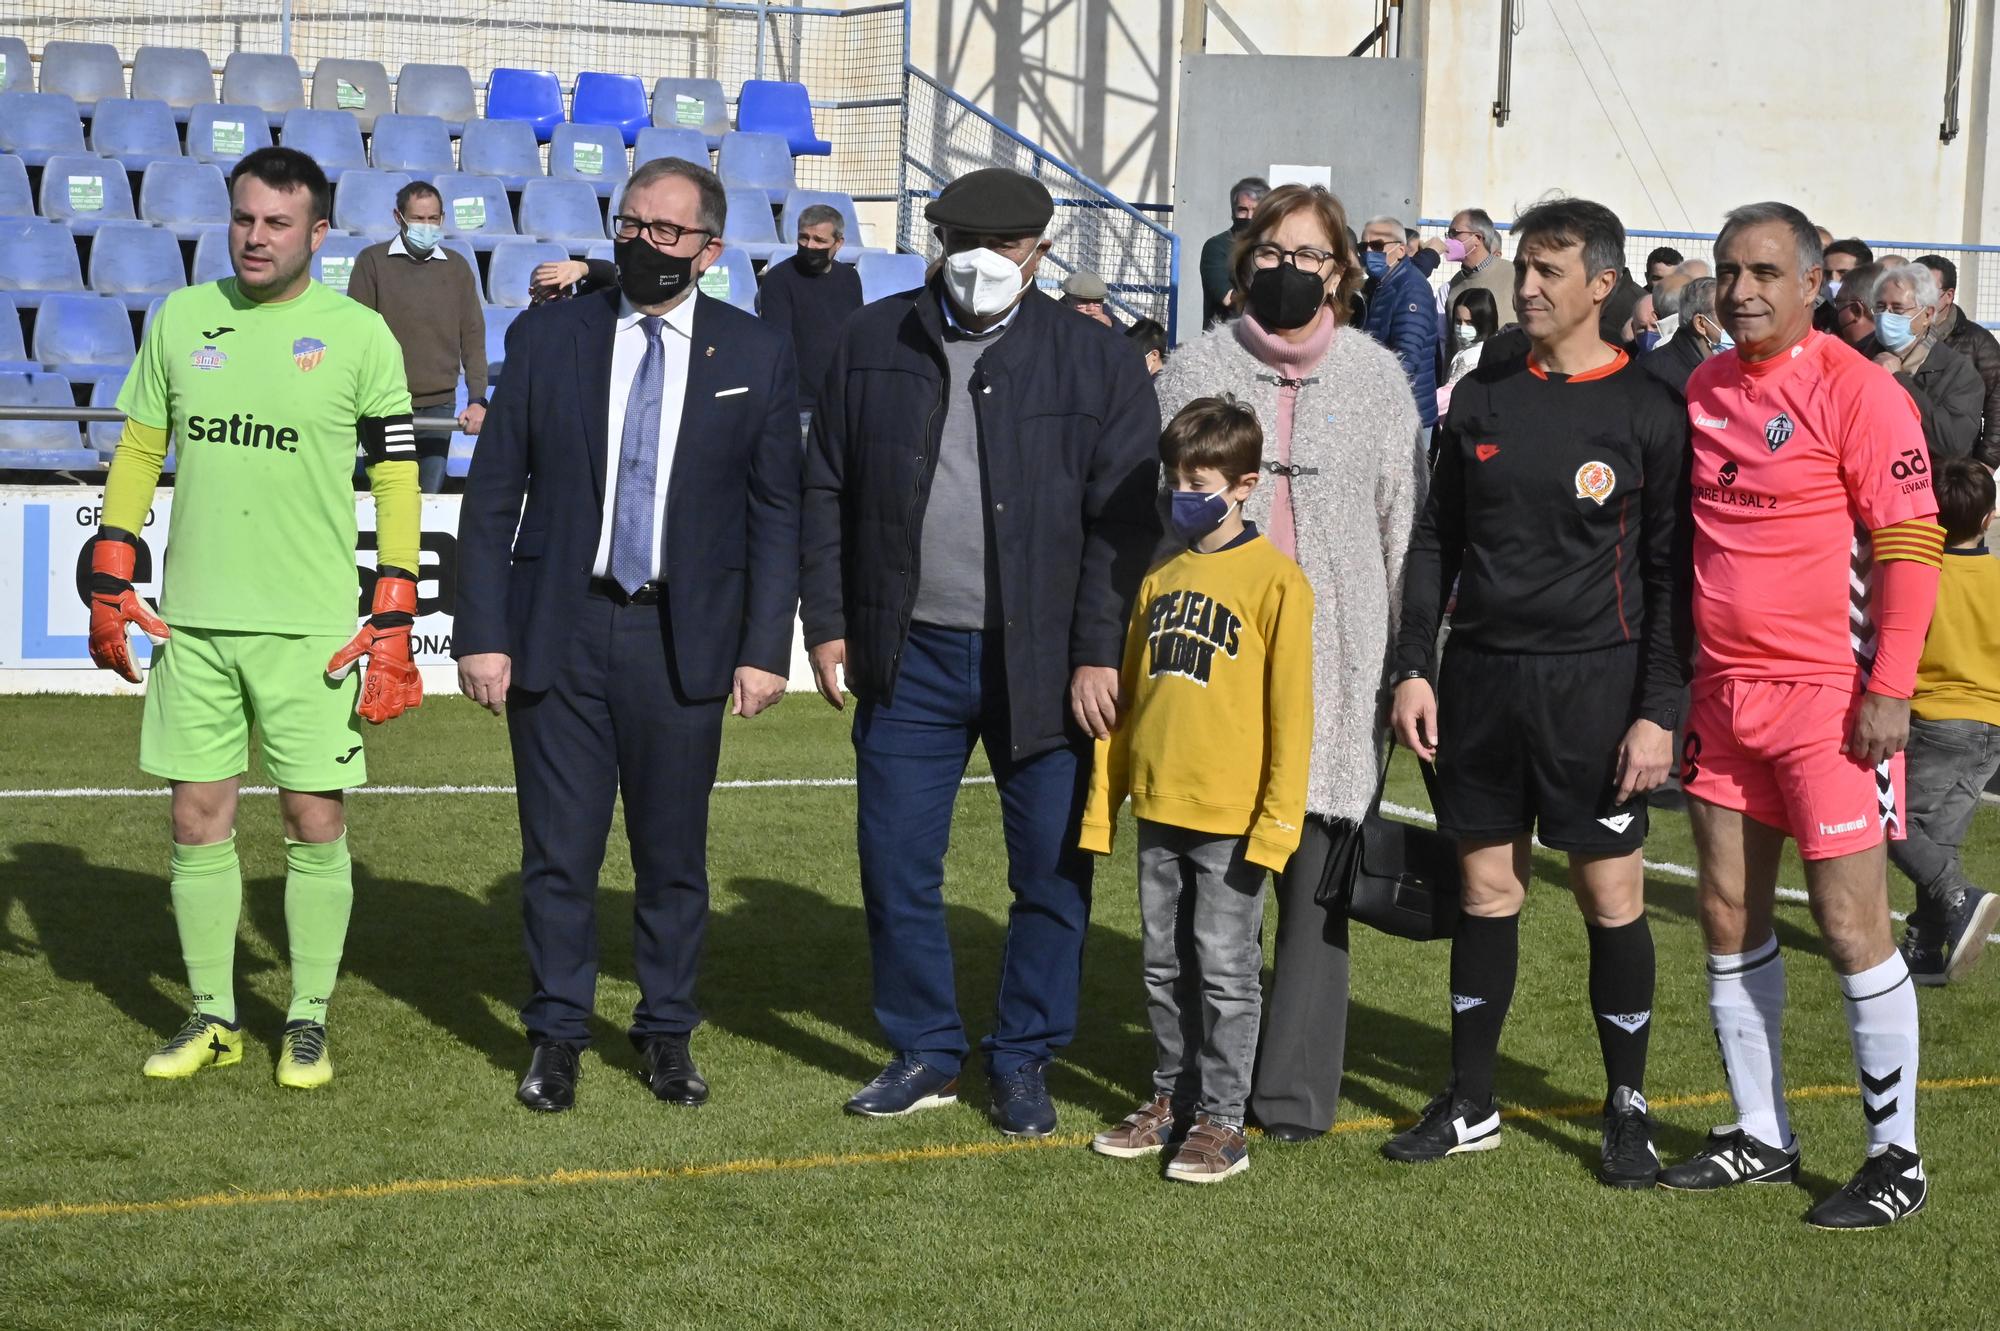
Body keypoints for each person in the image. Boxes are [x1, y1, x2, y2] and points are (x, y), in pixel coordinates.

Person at [799, 167, 1161, 1137]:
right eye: (964, 242)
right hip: (904, 651)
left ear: (1040, 252)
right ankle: (923, 1047)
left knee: (1048, 871)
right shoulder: (871, 339)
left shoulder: (1097, 361)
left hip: (1044, 662)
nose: (985, 264)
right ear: (934, 240)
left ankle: (1023, 1055)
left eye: (1006, 247)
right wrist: (827, 619)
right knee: (893, 860)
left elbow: (1119, 528)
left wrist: (1096, 651)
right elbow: (824, 485)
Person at [454, 156, 802, 1114]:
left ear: (711, 249)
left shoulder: (757, 352)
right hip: (558, 632)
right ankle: (557, 1034)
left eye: (667, 231)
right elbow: (492, 498)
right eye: (632, 224)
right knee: (558, 854)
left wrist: (766, 645)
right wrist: (481, 631)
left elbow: (777, 513)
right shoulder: (549, 337)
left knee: (672, 859)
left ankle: (666, 1034)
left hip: (683, 644)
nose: (645, 244)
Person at [87, 145, 421, 1087]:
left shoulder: (360, 336)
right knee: (197, 819)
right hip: (194, 623)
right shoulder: (183, 316)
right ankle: (215, 1014)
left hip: (314, 628)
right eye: (243, 218)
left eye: (278, 223)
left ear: (318, 233)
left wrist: (393, 597)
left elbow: (397, 473)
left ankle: (307, 1016)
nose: (255, 237)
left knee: (314, 820)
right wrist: (113, 564)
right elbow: (139, 448)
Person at [1384, 197, 1690, 1187]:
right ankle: (1470, 1100)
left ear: (1602, 285)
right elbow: (1434, 538)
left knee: (1608, 897)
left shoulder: (1645, 406)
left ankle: (1626, 1108)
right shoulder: (1482, 391)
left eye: (1548, 271)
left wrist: (1655, 711)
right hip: (1476, 681)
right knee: (1484, 889)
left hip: (1592, 692)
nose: (1524, 286)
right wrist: (1414, 664)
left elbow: (1665, 575)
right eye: (1521, 267)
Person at [1661, 201, 1942, 1231]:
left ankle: (1894, 1156)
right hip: (1720, 694)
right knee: (1726, 912)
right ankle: (1758, 1131)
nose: (1741, 290)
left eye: (1765, 272)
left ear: (1815, 280)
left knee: (1849, 922)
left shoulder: (1855, 390)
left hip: (1830, 698)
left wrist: (1890, 685)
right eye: (1729, 271)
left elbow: (1908, 546)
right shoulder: (1701, 385)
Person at [1154, 182, 1426, 1142]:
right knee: (1205, 881)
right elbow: (1161, 524)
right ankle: (1191, 1080)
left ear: (1343, 272)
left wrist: (1404, 664)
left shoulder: (1377, 378)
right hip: (1215, 666)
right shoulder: (1193, 369)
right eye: (1272, 251)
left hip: (1341, 661)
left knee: (1315, 884)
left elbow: (1403, 531)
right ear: (1245, 259)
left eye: (1310, 256)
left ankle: (1290, 1094)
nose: (1288, 270)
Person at [1081, 397, 1314, 1184]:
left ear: (1244, 484)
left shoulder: (1278, 581)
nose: (1184, 490)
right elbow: (1131, 703)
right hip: (1159, 805)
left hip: (1233, 818)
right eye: (1175, 475)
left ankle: (1221, 1119)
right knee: (1160, 965)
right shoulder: (1161, 574)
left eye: (1200, 478)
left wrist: (1277, 822)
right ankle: (1168, 1099)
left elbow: (1293, 714)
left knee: (1224, 967)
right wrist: (1102, 804)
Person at [1892, 458, 2000, 984]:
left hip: (1936, 718)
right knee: (1939, 835)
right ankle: (1928, 948)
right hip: (1992, 726)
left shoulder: (1923, 572)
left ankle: (1957, 894)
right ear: (1990, 518)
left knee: (1892, 824)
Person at [346, 180, 487, 493]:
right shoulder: (372, 263)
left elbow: (474, 339)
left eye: (433, 218)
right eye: (418, 219)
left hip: (440, 407)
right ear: (399, 218)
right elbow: (355, 336)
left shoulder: (458, 268)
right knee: (390, 496)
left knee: (429, 500)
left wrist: (477, 398)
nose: (426, 225)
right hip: (385, 404)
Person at [1832, 263, 1983, 463]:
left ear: (1927, 315)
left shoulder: (1958, 371)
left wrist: (1901, 381)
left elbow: (1952, 444)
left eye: (1897, 309)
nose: (1886, 316)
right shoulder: (1857, 356)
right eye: (1880, 307)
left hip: (1926, 484)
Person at [755, 201, 864, 429]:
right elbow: (778, 346)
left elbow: (854, 336)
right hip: (799, 406)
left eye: (820, 240)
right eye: (804, 238)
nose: (810, 246)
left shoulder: (849, 279)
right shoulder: (779, 279)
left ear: (839, 243)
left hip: (840, 401)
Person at [1360, 214, 1441, 443]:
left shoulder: (1411, 289)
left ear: (1401, 250)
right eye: (1363, 246)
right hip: (1383, 410)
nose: (1368, 252)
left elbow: (1406, 358)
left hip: (1406, 414)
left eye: (1376, 246)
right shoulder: (1377, 285)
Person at [1914, 254, 2000, 467]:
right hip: (1907, 460)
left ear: (1948, 295)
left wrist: (1985, 463)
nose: (1917, 298)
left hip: (1955, 465)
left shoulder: (1979, 342)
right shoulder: (1899, 336)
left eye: (1927, 291)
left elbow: (1997, 406)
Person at [1200, 176, 1268, 329]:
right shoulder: (1217, 247)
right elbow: (1229, 299)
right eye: (1243, 210)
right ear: (1233, 212)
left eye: (1256, 211)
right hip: (1224, 338)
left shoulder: (1272, 249)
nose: (1250, 217)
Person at [1642, 275, 1722, 398]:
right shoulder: (1658, 375)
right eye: (1726, 315)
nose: (1737, 324)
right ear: (1700, 323)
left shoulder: (1722, 365)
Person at [1443, 208, 1513, 328]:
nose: (1448, 240)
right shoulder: (1456, 282)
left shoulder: (1512, 273)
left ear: (1477, 238)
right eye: (1448, 234)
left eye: (1454, 233)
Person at [1816, 237, 1874, 331]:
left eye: (1843, 273)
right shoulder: (1816, 318)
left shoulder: (1880, 319)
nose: (1832, 280)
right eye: (1827, 273)